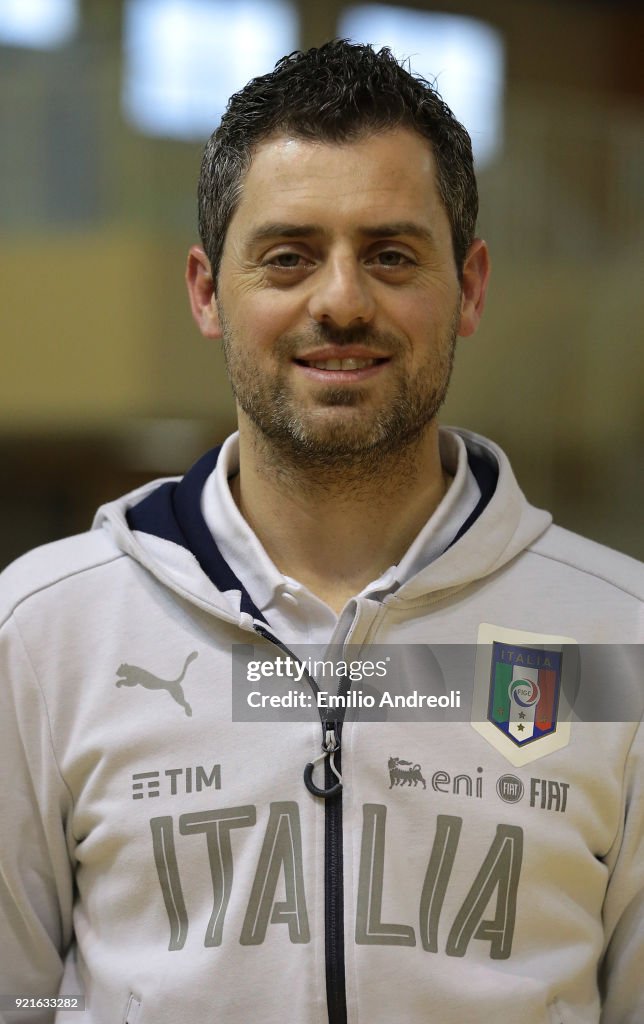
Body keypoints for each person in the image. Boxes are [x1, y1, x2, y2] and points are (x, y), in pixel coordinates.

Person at [0, 39, 641, 1024]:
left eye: (389, 255)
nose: (340, 301)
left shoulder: (616, 639)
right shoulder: (46, 634)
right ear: (208, 291)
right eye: (289, 256)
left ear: (468, 287)